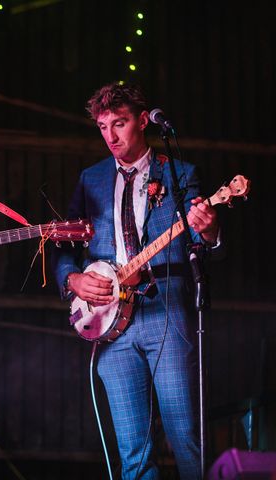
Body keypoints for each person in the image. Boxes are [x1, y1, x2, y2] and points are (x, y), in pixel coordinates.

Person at [53, 82, 219, 479]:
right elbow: (65, 247)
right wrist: (73, 280)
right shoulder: (90, 179)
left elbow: (201, 240)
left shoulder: (179, 172)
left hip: (166, 315)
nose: (110, 136)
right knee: (132, 451)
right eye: (103, 126)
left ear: (143, 121)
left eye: (120, 123)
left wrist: (210, 231)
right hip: (112, 325)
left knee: (186, 437)